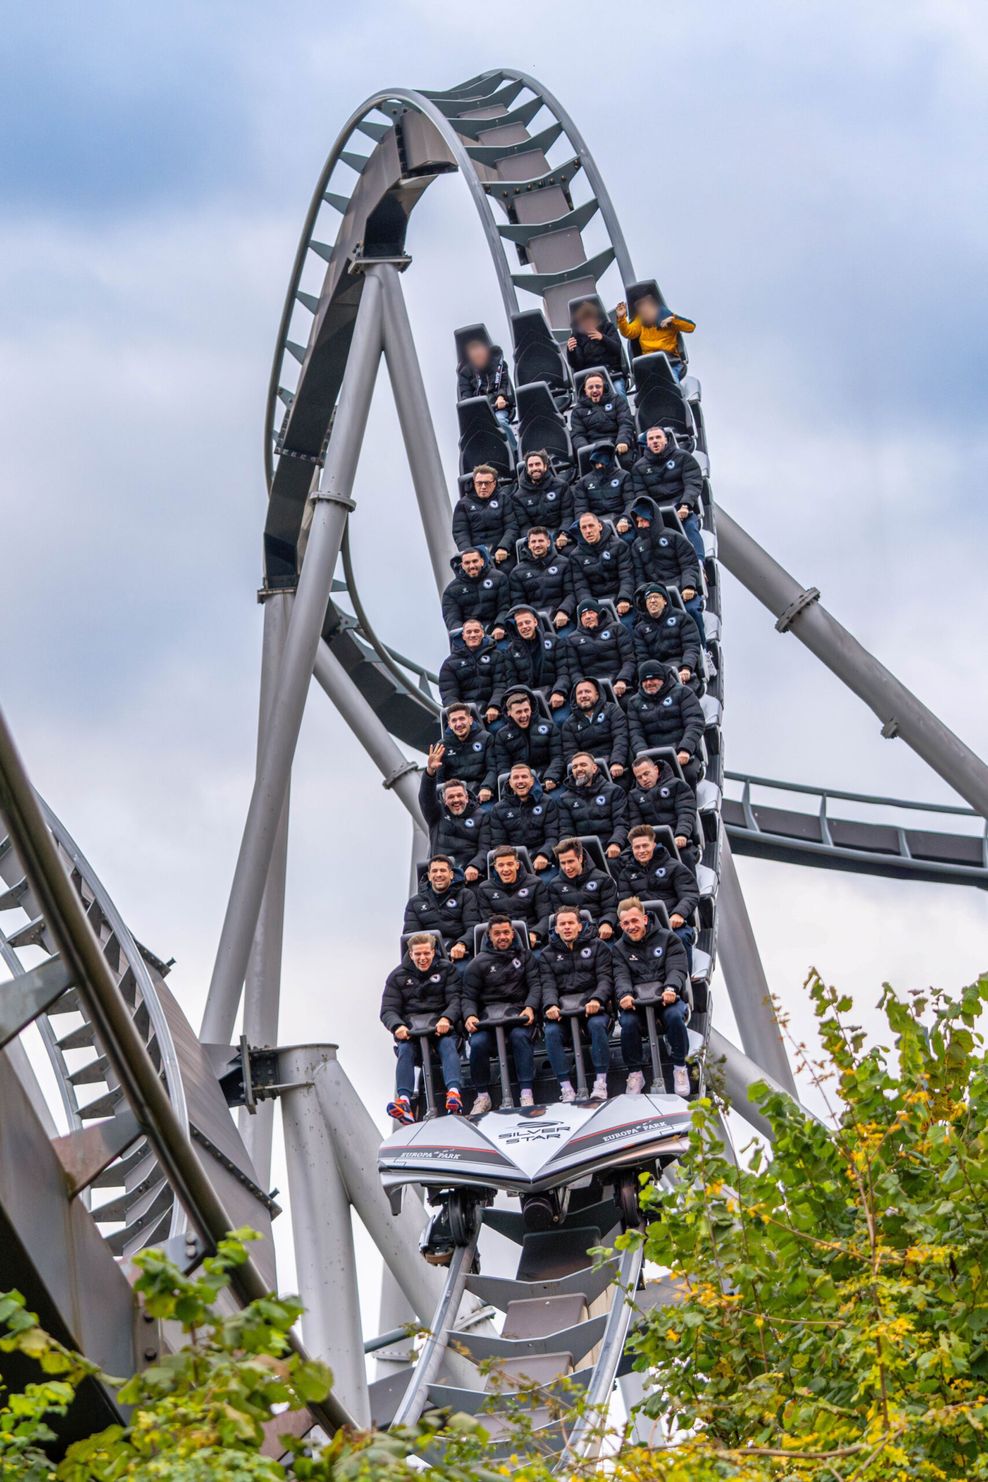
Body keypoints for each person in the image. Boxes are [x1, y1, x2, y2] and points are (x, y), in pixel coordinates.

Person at [611, 897, 692, 1097]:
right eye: (626, 923)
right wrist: (625, 995)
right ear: (621, 925)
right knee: (627, 1023)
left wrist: (671, 988)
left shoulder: (668, 939)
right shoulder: (619, 949)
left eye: (635, 921)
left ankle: (679, 1066)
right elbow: (621, 976)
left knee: (674, 1017)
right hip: (637, 1002)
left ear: (645, 919)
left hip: (665, 998)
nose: (631, 927)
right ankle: (635, 1072)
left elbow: (677, 969)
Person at [462, 915, 542, 1113]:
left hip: (518, 1016)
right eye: (497, 934)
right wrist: (470, 1015)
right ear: (489, 936)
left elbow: (535, 986)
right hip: (488, 1021)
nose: (503, 937)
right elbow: (468, 997)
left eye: (506, 932)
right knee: (478, 1043)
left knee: (520, 1037)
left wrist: (530, 1007)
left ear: (512, 933)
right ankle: (482, 1096)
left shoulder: (526, 957)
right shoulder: (477, 964)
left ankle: (526, 1093)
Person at [381, 934, 463, 1123]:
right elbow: (388, 1010)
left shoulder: (447, 970)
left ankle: (454, 1094)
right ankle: (404, 1102)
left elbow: (456, 1000)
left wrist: (446, 1018)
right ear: (410, 954)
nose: (423, 958)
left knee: (447, 1045)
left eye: (427, 953)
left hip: (440, 1027)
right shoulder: (397, 976)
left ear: (434, 952)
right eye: (418, 954)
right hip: (412, 1031)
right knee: (405, 1049)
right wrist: (397, 1025)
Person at [540, 906, 614, 1103]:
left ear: (580, 926)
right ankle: (566, 1088)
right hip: (563, 1013)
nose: (566, 927)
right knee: (551, 1033)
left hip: (593, 1009)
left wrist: (597, 999)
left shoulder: (598, 946)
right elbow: (547, 985)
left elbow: (605, 978)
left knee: (597, 1026)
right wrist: (550, 1005)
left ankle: (601, 1083)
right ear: (555, 929)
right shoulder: (547, 954)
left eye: (570, 923)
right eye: (562, 924)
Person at [613, 824, 699, 967]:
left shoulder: (674, 866)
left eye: (645, 846)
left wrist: (679, 914)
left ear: (653, 844)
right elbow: (625, 904)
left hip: (672, 924)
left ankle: (685, 985)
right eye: (637, 847)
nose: (641, 850)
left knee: (681, 938)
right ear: (632, 849)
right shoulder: (626, 874)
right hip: (641, 926)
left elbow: (690, 894)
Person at [626, 497, 705, 640]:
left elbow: (689, 564)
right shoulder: (637, 546)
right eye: (638, 521)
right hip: (653, 593)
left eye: (643, 520)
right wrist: (643, 596)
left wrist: (688, 586)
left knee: (692, 610)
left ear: (652, 518)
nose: (640, 525)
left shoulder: (674, 537)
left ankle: (704, 650)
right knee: (635, 622)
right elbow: (639, 576)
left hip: (680, 587)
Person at [626, 661, 706, 789]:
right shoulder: (634, 702)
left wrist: (685, 749)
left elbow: (695, 722)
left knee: (688, 774)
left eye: (653, 679)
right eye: (645, 680)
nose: (649, 683)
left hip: (682, 753)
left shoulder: (684, 692)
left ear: (663, 678)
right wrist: (645, 759)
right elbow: (635, 733)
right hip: (652, 755)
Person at [630, 426, 705, 561]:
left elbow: (693, 483)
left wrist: (686, 505)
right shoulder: (638, 467)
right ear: (646, 443)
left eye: (658, 437)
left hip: (681, 506)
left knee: (690, 527)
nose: (655, 441)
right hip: (656, 512)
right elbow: (641, 495)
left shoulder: (683, 457)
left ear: (666, 440)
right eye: (651, 439)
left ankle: (700, 563)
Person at [419, 763, 490, 879]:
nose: (456, 800)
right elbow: (425, 798)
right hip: (441, 875)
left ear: (466, 797)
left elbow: (485, 849)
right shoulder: (436, 814)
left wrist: (474, 866)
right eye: (451, 797)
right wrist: (430, 772)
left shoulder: (482, 815)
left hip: (469, 875)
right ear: (444, 800)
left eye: (459, 795)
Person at [403, 855, 480, 961]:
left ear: (451, 874)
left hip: (460, 955)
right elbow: (411, 936)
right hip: (428, 957)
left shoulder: (466, 895)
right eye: (434, 871)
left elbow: (473, 927)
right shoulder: (415, 902)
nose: (438, 874)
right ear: (429, 876)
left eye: (443, 870)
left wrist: (462, 944)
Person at [488, 763, 561, 872]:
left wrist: (544, 855)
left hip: (544, 858)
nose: (520, 781)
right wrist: (513, 862)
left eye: (524, 777)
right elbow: (499, 844)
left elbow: (553, 837)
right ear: (510, 783)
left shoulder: (547, 802)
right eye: (516, 778)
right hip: (513, 861)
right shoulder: (498, 809)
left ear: (532, 781)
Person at [626, 754, 698, 863]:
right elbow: (636, 825)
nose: (644, 779)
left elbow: (686, 813)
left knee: (685, 855)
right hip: (650, 843)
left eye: (646, 774)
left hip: (676, 838)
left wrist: (682, 834)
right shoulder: (633, 795)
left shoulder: (678, 785)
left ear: (656, 769)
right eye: (639, 777)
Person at [556, 752, 628, 859]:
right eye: (575, 767)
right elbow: (566, 831)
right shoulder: (564, 799)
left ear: (594, 768)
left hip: (610, 847)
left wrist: (615, 843)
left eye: (583, 765)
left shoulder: (614, 791)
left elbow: (621, 824)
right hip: (581, 851)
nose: (579, 769)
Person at [476, 845, 550, 948]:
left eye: (510, 864)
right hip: (501, 941)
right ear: (495, 867)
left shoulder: (536, 883)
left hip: (531, 939)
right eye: (501, 865)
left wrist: (535, 933)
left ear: (517, 865)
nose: (505, 869)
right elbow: (487, 922)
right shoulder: (484, 889)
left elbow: (545, 916)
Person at [631, 583, 703, 689]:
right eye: (649, 598)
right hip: (655, 672)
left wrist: (686, 668)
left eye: (656, 597)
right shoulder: (639, 629)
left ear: (665, 601)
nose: (652, 601)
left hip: (680, 667)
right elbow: (642, 658)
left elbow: (691, 646)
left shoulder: (682, 618)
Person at [546, 837, 619, 939]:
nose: (567, 867)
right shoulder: (554, 885)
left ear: (580, 858)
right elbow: (557, 916)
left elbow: (610, 908)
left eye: (570, 861)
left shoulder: (603, 879)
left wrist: (607, 923)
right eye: (563, 863)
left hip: (599, 933)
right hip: (571, 935)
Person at [559, 598, 635, 695]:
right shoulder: (572, 639)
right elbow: (574, 670)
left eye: (591, 612)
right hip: (590, 691)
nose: (587, 617)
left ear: (599, 613)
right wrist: (585, 688)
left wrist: (622, 680)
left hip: (619, 685)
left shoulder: (617, 628)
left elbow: (629, 659)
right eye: (583, 615)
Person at [498, 605, 569, 709]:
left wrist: (558, 691)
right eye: (520, 624)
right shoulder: (510, 651)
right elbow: (512, 681)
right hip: (525, 701)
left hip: (553, 694)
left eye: (527, 622)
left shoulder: (555, 641)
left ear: (535, 622)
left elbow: (563, 672)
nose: (524, 627)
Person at [560, 676, 629, 780]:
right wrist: (582, 770)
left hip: (614, 766)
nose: (583, 695)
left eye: (587, 691)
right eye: (579, 693)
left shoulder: (613, 710)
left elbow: (620, 738)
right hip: (586, 772)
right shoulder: (569, 724)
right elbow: (570, 753)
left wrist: (617, 762)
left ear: (597, 695)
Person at [493, 688, 564, 788]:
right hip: (519, 782)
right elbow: (503, 767)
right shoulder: (501, 735)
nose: (524, 715)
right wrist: (516, 784)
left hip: (547, 778)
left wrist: (551, 776)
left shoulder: (550, 726)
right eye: (518, 712)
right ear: (509, 713)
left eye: (526, 710)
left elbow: (557, 757)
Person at [456, 335, 517, 450]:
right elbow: (465, 395)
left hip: (498, 407)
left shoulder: (499, 364)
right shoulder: (465, 373)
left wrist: (501, 397)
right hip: (479, 411)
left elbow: (504, 384)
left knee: (500, 423)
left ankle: (514, 451)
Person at [438, 620, 505, 722]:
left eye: (476, 631)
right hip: (467, 716)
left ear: (483, 634)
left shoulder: (496, 656)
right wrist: (462, 715)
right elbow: (449, 694)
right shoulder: (450, 663)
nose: (473, 635)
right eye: (469, 632)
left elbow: (501, 684)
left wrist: (494, 706)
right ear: (463, 636)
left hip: (494, 712)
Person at [616, 294, 695, 381]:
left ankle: (675, 391)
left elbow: (691, 327)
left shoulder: (668, 317)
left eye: (648, 310)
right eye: (643, 312)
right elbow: (628, 333)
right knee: (648, 381)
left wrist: (673, 320)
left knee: (671, 377)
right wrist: (621, 318)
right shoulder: (640, 322)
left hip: (670, 361)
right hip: (650, 362)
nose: (646, 313)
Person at [508, 529, 576, 628]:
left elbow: (571, 593)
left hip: (562, 620)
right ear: (528, 545)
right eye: (533, 542)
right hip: (534, 625)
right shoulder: (517, 572)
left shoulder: (564, 563)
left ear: (548, 542)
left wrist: (563, 611)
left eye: (541, 541)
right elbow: (519, 603)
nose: (537, 545)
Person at [568, 512, 634, 613]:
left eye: (591, 526)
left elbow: (626, 576)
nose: (588, 531)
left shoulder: (619, 546)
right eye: (584, 528)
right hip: (595, 604)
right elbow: (581, 586)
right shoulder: (575, 556)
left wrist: (624, 599)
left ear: (600, 526)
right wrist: (590, 608)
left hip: (620, 599)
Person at [452, 465, 518, 563]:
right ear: (474, 483)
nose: (483, 487)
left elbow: (511, 526)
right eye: (479, 483)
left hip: (503, 554)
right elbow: (460, 532)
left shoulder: (503, 499)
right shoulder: (463, 504)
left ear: (494, 483)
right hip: (476, 559)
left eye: (487, 483)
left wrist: (504, 547)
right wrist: (470, 554)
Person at [431, 705, 497, 799]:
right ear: (449, 724)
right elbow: (439, 780)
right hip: (455, 797)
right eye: (454, 720)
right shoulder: (441, 746)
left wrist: (487, 787)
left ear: (470, 720)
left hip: (481, 794)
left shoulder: (486, 738)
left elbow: (493, 769)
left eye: (462, 718)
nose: (458, 724)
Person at [441, 548, 510, 636]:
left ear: (482, 561)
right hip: (471, 637)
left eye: (475, 561)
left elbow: (505, 607)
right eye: (467, 563)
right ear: (462, 565)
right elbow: (453, 619)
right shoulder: (451, 591)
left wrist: (500, 626)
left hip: (498, 632)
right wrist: (468, 635)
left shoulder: (500, 578)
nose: (472, 566)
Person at [569, 372, 635, 457]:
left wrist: (623, 441)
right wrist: (587, 451)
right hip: (593, 450)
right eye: (590, 387)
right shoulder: (577, 411)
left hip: (617, 445)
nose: (594, 390)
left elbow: (625, 423)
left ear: (604, 388)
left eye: (598, 386)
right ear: (585, 390)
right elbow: (578, 435)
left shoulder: (617, 400)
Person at [565, 300, 626, 392]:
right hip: (588, 377)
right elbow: (576, 364)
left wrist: (602, 338)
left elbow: (617, 349)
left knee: (618, 390)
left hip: (611, 373)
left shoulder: (608, 327)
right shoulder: (576, 336)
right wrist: (571, 351)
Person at [510, 450, 574, 536]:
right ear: (527, 469)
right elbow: (525, 526)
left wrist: (564, 534)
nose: (534, 468)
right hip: (536, 538)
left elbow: (568, 516)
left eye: (538, 464)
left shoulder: (562, 486)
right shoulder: (518, 497)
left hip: (561, 532)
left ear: (545, 466)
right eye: (530, 465)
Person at [570, 443, 634, 525]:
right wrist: (587, 525)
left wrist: (625, 519)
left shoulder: (624, 476)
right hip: (594, 522)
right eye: (596, 462)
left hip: (620, 519)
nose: (599, 466)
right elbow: (581, 510)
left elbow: (630, 502)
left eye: (603, 463)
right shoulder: (583, 482)